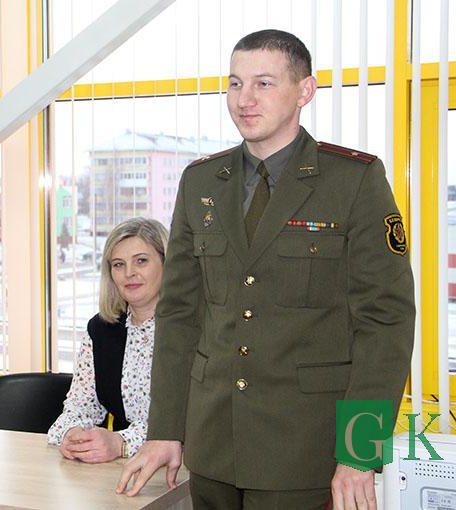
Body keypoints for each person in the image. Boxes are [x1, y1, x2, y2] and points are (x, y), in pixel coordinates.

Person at [117, 29, 414, 510]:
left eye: (264, 83)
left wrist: (360, 451)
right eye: (235, 84)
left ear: (304, 91)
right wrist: (165, 430)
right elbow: (179, 315)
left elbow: (386, 323)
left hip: (305, 451)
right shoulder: (201, 182)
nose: (244, 99)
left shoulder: (353, 181)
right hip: (212, 445)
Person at [47, 217, 168, 463]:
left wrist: (122, 442)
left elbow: (190, 420)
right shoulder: (101, 329)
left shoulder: (193, 329)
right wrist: (73, 434)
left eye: (141, 261)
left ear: (168, 264)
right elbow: (81, 404)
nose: (129, 273)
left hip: (183, 469)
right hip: (118, 467)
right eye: (118, 264)